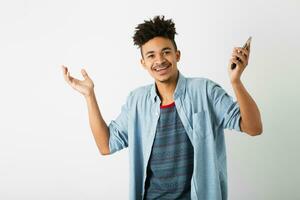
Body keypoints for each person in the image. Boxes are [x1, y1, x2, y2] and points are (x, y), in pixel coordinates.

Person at [61, 15, 262, 200]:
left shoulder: (205, 91)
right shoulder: (136, 101)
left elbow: (253, 128)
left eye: (166, 52)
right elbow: (106, 146)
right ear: (143, 63)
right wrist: (89, 95)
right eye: (151, 55)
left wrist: (236, 82)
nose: (159, 61)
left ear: (177, 55)